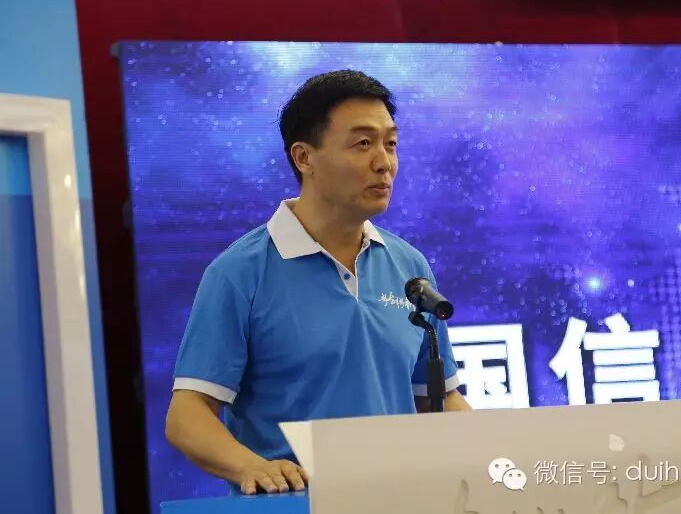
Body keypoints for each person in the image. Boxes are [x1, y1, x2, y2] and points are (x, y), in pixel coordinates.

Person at [165, 69, 471, 496]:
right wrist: (253, 467)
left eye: (390, 143)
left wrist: (495, 458)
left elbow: (439, 399)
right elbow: (187, 415)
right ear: (304, 158)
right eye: (362, 143)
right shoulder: (239, 273)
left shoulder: (408, 265)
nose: (384, 163)